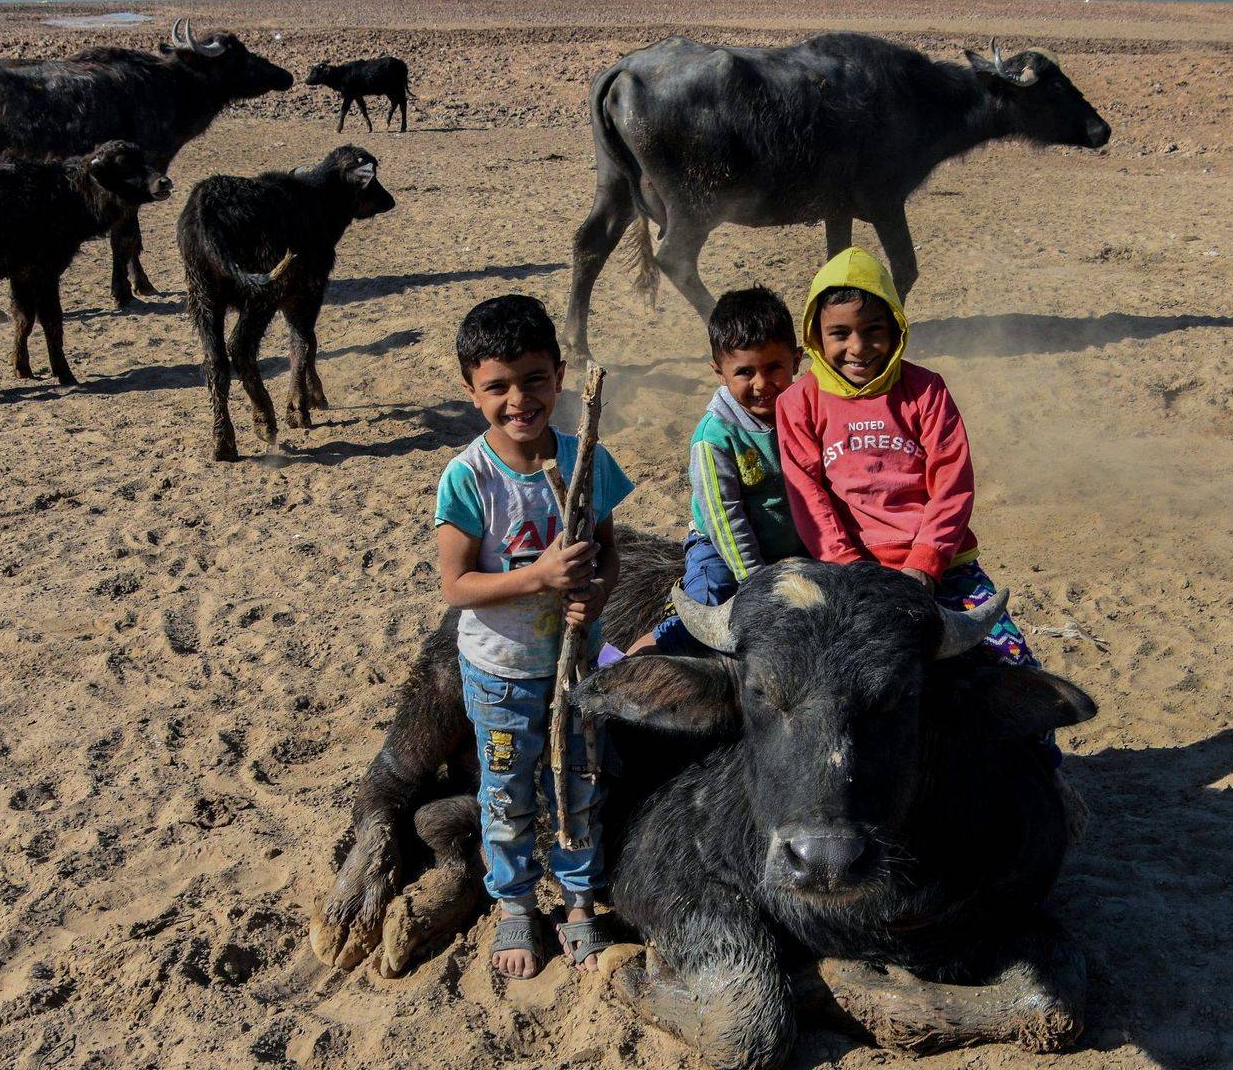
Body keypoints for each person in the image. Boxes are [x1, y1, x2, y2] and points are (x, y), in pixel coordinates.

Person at [435, 294, 634, 978]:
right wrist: (539, 577)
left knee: (580, 785)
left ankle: (579, 901)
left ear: (560, 375)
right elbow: (456, 586)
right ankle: (516, 903)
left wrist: (597, 591)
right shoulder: (468, 478)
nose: (518, 399)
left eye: (534, 380)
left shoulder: (586, 461)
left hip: (576, 667)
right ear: (472, 391)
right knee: (507, 792)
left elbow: (609, 551)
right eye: (497, 386)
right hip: (501, 672)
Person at [776, 246, 1042, 673]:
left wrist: (925, 564)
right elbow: (807, 496)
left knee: (1014, 666)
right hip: (851, 574)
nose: (858, 347)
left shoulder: (926, 390)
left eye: (873, 330)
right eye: (840, 333)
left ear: (896, 328)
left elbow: (952, 483)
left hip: (944, 567)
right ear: (815, 336)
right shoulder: (798, 402)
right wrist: (850, 569)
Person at [633, 286, 805, 655]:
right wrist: (756, 581)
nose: (761, 384)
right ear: (719, 373)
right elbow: (724, 518)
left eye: (773, 368)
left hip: (792, 544)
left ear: (797, 360)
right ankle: (624, 663)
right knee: (703, 611)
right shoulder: (714, 437)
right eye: (745, 372)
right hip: (723, 549)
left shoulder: (806, 411)